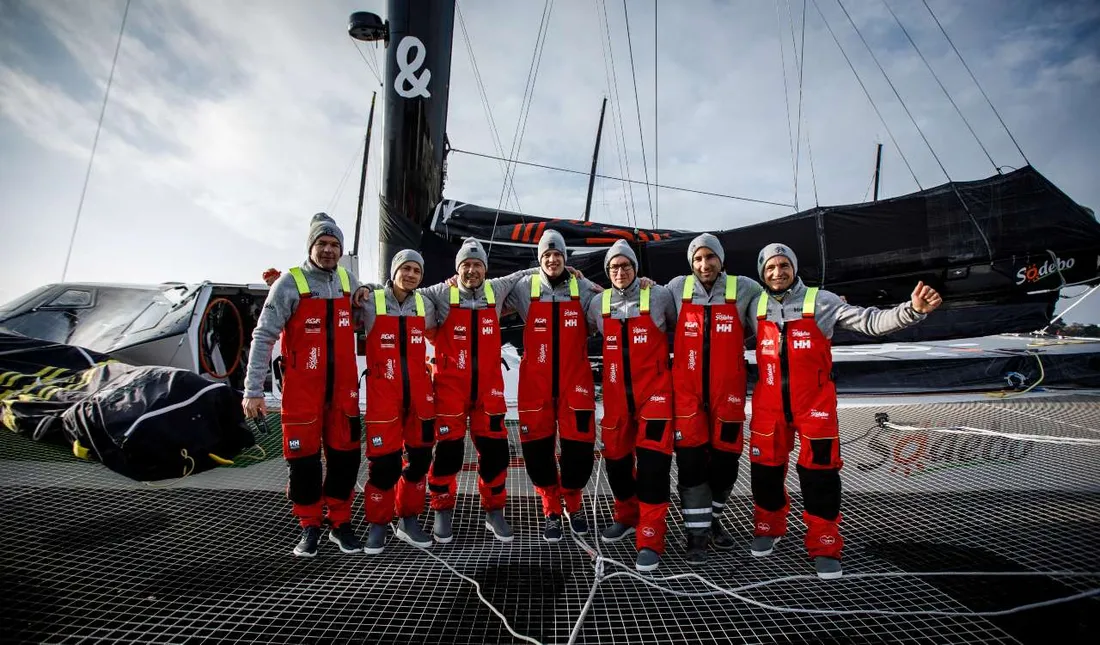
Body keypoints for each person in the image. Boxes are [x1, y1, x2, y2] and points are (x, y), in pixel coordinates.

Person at [748, 242, 942, 579]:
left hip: (814, 406)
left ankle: (824, 543)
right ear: (762, 274)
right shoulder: (754, 304)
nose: (778, 272)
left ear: (794, 268)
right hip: (769, 406)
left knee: (820, 477)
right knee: (764, 473)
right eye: (770, 268)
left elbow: (871, 322)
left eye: (784, 265)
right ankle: (769, 527)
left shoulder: (822, 301)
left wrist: (912, 310)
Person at [242, 213, 364, 557]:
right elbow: (263, 336)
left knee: (345, 460)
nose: (328, 250)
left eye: (335, 244)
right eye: (322, 243)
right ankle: (309, 524)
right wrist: (253, 390)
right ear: (310, 246)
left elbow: (370, 307)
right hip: (302, 393)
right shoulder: (289, 283)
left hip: (343, 392)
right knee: (304, 463)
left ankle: (340, 522)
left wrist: (367, 291)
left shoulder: (348, 280)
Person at [416, 238, 535, 543]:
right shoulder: (441, 292)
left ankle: (494, 510)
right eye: (466, 265)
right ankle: (442, 508)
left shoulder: (495, 289)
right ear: (457, 269)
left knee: (495, 452)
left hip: (488, 391)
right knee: (448, 453)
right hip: (449, 390)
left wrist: (570, 271)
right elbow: (407, 292)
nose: (471, 271)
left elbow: (524, 274)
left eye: (477, 265)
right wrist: (368, 290)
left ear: (485, 268)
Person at [666, 233, 762, 564]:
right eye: (697, 258)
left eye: (710, 257)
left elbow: (780, 302)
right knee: (691, 466)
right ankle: (696, 535)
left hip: (728, 396)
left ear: (721, 259)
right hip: (687, 396)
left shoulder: (745, 288)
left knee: (725, 465)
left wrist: (820, 304)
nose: (704, 264)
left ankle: (712, 519)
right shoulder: (676, 288)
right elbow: (639, 297)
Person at [503, 229, 602, 542]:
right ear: (539, 259)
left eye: (557, 254)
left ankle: (574, 506)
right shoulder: (525, 287)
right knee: (537, 453)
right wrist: (456, 282)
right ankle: (551, 510)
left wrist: (644, 284)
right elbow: (489, 293)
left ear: (565, 257)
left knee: (579, 452)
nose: (552, 259)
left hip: (576, 384)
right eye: (546, 254)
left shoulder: (582, 287)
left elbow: (612, 300)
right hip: (536, 385)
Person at [587, 240, 678, 571]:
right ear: (607, 271)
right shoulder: (598, 303)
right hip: (615, 400)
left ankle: (651, 535)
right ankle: (626, 516)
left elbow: (678, 324)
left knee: (653, 468)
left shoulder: (659, 296)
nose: (620, 271)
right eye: (614, 266)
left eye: (626, 265)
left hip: (654, 397)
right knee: (616, 464)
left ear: (636, 269)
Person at [358, 249, 438, 554]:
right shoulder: (371, 300)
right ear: (393, 271)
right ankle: (378, 524)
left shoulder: (425, 303)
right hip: (384, 397)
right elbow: (342, 292)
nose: (411, 275)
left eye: (417, 271)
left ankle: (408, 520)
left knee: (420, 461)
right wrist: (364, 286)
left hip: (419, 396)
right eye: (405, 268)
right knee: (384, 465)